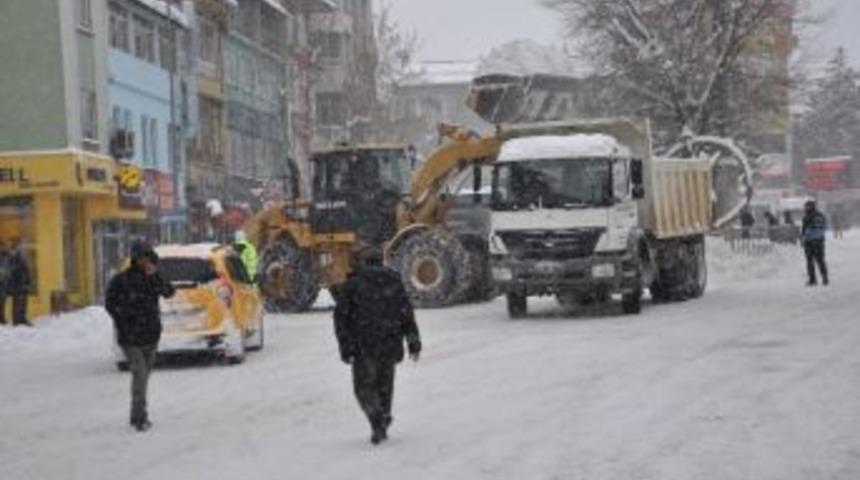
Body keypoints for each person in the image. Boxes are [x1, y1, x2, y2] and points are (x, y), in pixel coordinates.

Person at [334, 247, 421, 445]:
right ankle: (384, 415)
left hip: (363, 344)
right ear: (382, 261)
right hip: (390, 342)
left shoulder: (353, 284)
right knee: (385, 386)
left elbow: (341, 319)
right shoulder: (394, 281)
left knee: (363, 388)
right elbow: (406, 313)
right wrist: (413, 341)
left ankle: (376, 419)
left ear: (364, 262)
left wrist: (345, 346)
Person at [105, 241, 175, 432]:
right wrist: (123, 320)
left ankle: (138, 414)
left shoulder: (153, 277)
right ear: (135, 259)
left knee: (143, 377)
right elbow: (110, 303)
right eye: (141, 258)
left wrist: (156, 276)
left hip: (151, 335)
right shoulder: (122, 280)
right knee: (140, 374)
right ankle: (139, 417)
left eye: (148, 258)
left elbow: (169, 292)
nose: (145, 261)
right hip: (130, 338)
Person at [801, 200, 829, 286]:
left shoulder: (807, 217)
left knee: (810, 261)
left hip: (810, 241)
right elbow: (825, 227)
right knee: (820, 260)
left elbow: (804, 230)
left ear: (810, 207)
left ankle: (812, 279)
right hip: (820, 240)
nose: (806, 208)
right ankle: (825, 278)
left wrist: (804, 237)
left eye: (807, 207)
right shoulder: (821, 215)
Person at [5, 240, 32, 326]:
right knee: (17, 303)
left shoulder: (21, 258)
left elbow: (26, 271)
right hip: (15, 285)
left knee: (23, 303)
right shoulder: (10, 259)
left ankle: (22, 318)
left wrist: (28, 282)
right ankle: (16, 321)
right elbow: (10, 272)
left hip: (23, 284)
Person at [0, 241, 11, 325]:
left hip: (4, 282)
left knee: (2, 300)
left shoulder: (7, 256)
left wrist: (6, 274)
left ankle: (2, 318)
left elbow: (9, 268)